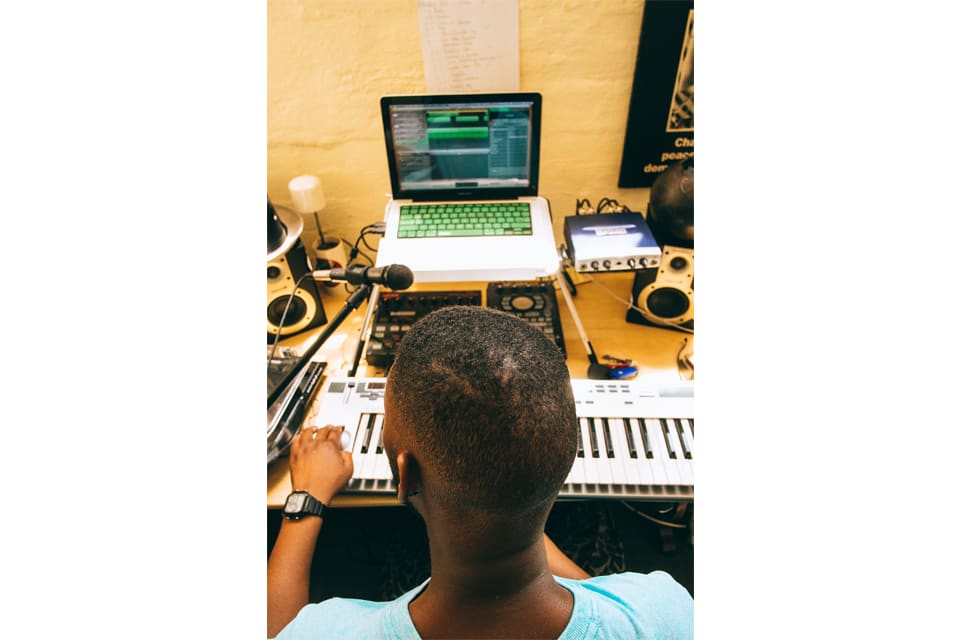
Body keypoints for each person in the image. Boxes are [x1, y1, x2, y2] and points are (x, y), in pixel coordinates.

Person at [267, 306, 693, 638]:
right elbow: (603, 601)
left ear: (405, 475)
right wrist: (509, 497)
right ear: (567, 456)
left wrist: (306, 502)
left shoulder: (327, 629)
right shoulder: (664, 608)